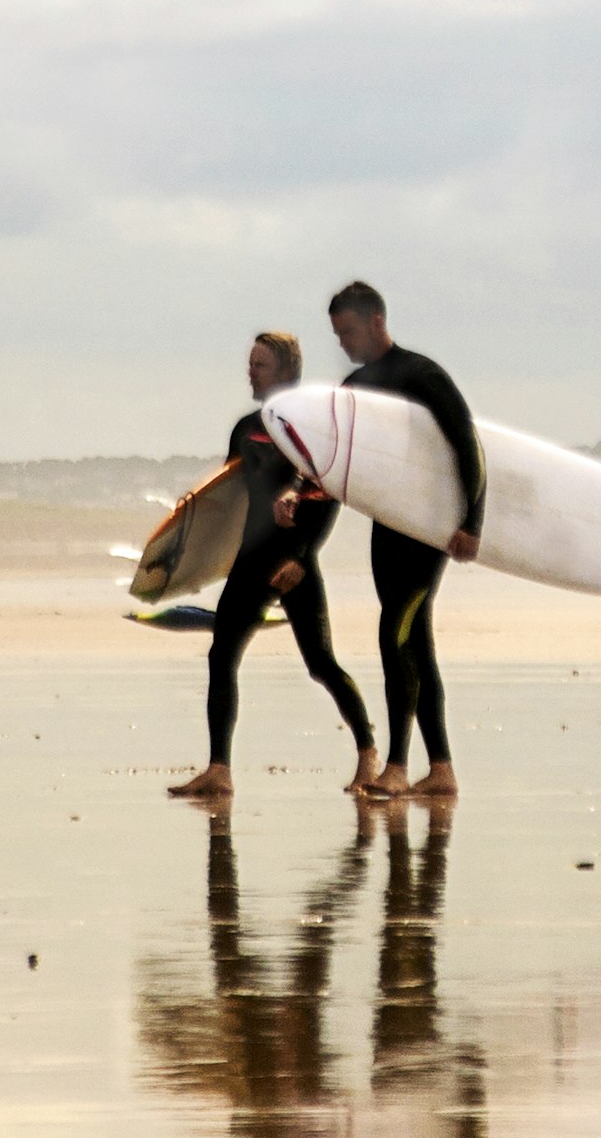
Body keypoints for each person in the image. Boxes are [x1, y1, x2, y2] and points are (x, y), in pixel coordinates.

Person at [171, 331, 377, 800]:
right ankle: (218, 770)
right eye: (250, 363)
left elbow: (328, 495)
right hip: (251, 557)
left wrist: (302, 557)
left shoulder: (311, 427)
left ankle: (368, 755)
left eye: (259, 365)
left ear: (285, 371)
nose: (250, 371)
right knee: (222, 656)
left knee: (321, 663)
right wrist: (191, 546)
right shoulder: (245, 428)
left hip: (293, 560)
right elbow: (227, 501)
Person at [329, 282, 481, 802]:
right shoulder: (355, 386)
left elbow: (467, 445)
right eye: (338, 335)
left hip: (427, 531)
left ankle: (396, 765)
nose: (344, 343)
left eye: (348, 331)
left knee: (394, 632)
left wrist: (472, 523)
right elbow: (340, 463)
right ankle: (441, 771)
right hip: (386, 526)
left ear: (376, 321)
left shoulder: (422, 375)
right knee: (415, 641)